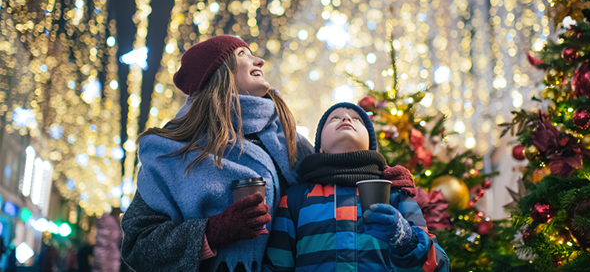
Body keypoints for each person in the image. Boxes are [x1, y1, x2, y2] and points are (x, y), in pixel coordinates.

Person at [120, 36, 415, 272]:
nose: (259, 60)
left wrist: (384, 177)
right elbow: (138, 245)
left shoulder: (289, 141)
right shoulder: (174, 151)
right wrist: (211, 233)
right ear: (217, 73)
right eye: (243, 56)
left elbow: (334, 181)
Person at [263, 102, 450, 272]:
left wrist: (406, 240)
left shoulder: (396, 195)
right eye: (334, 118)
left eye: (358, 120)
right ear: (320, 147)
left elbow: (439, 266)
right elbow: (277, 265)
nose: (346, 118)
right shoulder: (295, 198)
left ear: (370, 146)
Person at [92, 208, 122, 272]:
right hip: (109, 254)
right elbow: (117, 237)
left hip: (101, 253)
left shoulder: (103, 223)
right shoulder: (112, 225)